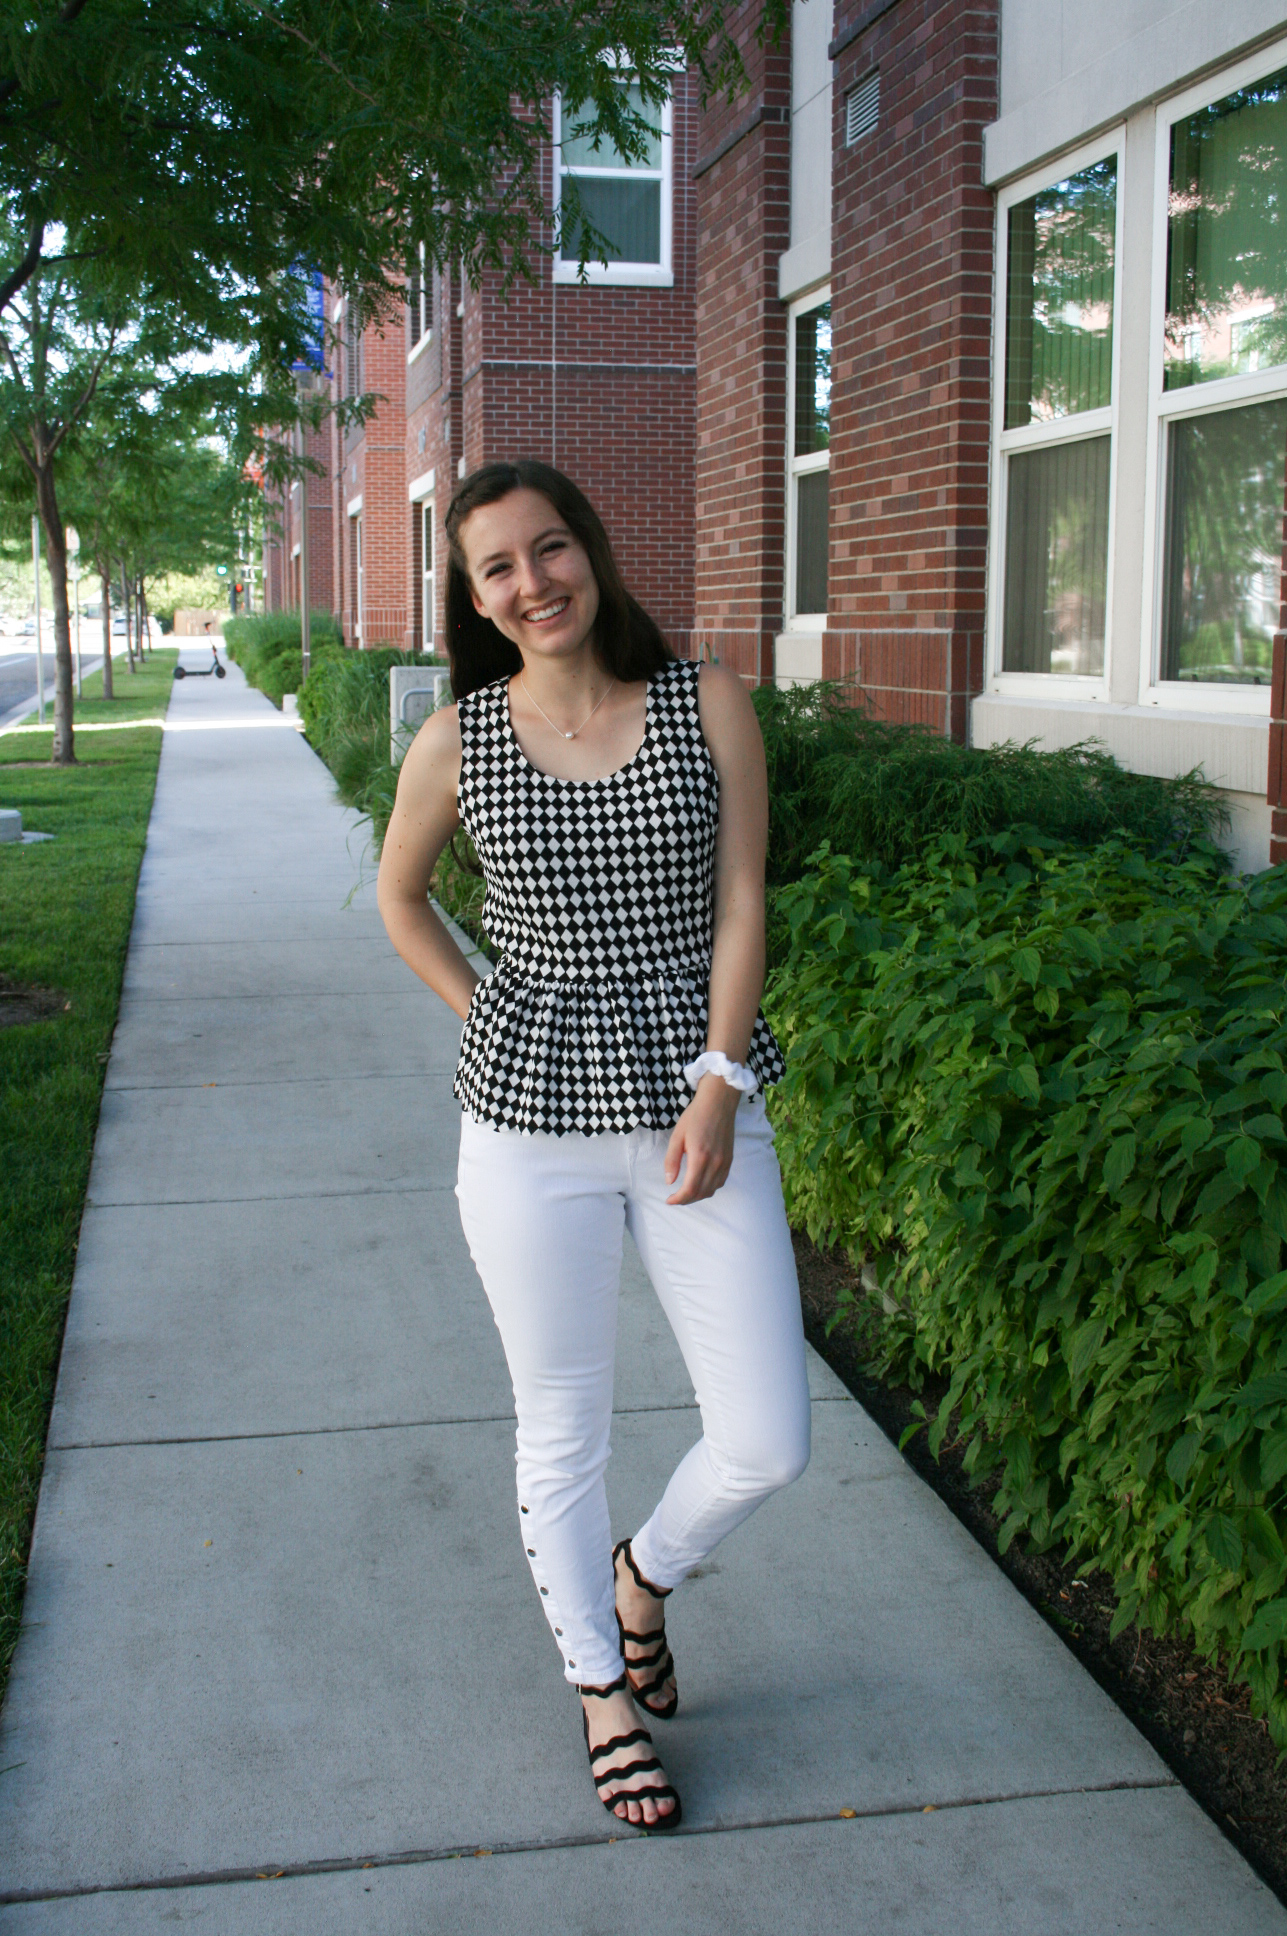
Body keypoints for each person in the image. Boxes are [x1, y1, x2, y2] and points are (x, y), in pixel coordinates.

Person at [377, 460, 810, 1830]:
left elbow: (741, 902)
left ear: (595, 550)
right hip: (526, 1129)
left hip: (693, 1104)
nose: (531, 582)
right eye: (496, 566)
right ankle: (598, 1693)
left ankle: (643, 1578)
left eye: (549, 547)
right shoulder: (460, 738)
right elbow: (400, 899)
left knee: (769, 1437)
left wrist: (722, 1082)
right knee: (559, 1424)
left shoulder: (706, 702)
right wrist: (491, 1011)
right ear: (476, 596)